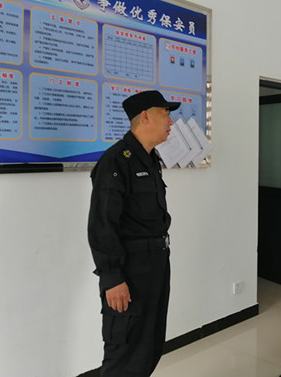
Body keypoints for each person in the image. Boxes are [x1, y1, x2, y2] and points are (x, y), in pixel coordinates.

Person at [88, 90, 180, 376]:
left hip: (156, 262)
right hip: (130, 269)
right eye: (165, 114)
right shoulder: (116, 161)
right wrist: (112, 277)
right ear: (145, 117)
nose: (171, 122)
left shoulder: (150, 160)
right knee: (125, 348)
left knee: (149, 344)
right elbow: (102, 224)